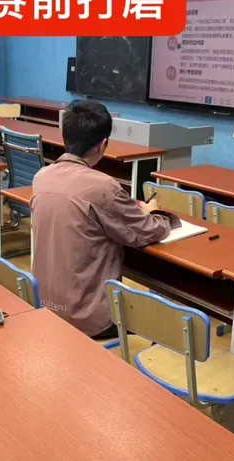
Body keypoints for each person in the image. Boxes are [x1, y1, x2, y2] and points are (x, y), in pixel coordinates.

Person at [30, 101, 178, 338]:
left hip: (45, 307)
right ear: (103, 144)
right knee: (162, 323)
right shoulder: (103, 187)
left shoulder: (41, 177)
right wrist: (154, 212)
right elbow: (147, 232)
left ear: (64, 135)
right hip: (88, 319)